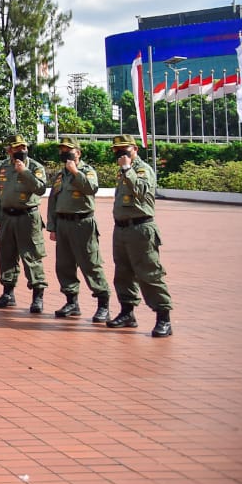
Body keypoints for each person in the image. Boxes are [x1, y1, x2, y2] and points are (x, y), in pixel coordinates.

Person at [105, 135, 172, 338]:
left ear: (135, 149)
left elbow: (142, 191)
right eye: (116, 149)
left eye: (124, 149)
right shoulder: (122, 171)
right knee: (123, 273)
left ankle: (163, 318)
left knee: (149, 274)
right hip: (122, 229)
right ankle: (127, 313)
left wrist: (127, 169)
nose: (120, 153)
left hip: (141, 228)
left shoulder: (142, 170)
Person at [46, 136, 110, 322]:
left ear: (78, 153)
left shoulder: (87, 171)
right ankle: (72, 302)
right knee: (64, 265)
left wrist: (75, 172)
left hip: (82, 223)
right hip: (63, 224)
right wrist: (52, 226)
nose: (64, 153)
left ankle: (103, 305)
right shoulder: (60, 175)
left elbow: (91, 188)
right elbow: (53, 201)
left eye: (69, 150)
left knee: (90, 263)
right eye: (62, 150)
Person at [0, 134, 49, 313]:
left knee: (31, 257)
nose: (21, 150)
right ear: (9, 150)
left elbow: (40, 188)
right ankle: (8, 293)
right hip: (6, 217)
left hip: (27, 217)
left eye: (23, 147)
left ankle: (38, 296)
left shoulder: (35, 167)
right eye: (17, 148)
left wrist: (24, 171)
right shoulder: (2, 167)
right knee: (6, 256)